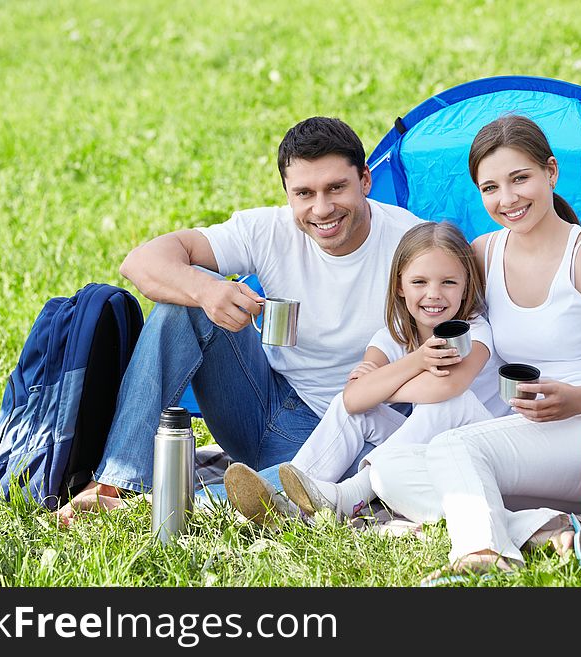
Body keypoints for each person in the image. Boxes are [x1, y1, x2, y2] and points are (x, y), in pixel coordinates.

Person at [57, 117, 422, 525]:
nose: (322, 208)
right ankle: (116, 482)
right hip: (263, 407)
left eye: (336, 188)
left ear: (365, 181)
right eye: (304, 193)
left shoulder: (412, 244)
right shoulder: (268, 229)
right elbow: (140, 262)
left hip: (355, 431)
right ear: (288, 194)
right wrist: (207, 291)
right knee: (187, 300)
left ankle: (158, 507)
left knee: (325, 488)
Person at [364, 114, 581, 580]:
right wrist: (380, 358)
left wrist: (576, 399)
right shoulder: (485, 253)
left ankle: (484, 554)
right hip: (535, 431)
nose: (507, 199)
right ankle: (546, 527)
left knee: (454, 450)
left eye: (520, 179)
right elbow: (435, 312)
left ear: (551, 172)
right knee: (389, 469)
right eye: (490, 188)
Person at [224, 221, 509, 523]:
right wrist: (415, 363)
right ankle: (286, 502)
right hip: (428, 448)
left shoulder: (474, 331)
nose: (434, 294)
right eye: (419, 282)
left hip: (486, 449)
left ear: (466, 287)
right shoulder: (393, 336)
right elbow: (353, 399)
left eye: (449, 283)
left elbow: (446, 389)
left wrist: (382, 384)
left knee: (451, 403)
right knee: (353, 411)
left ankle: (346, 497)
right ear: (400, 285)